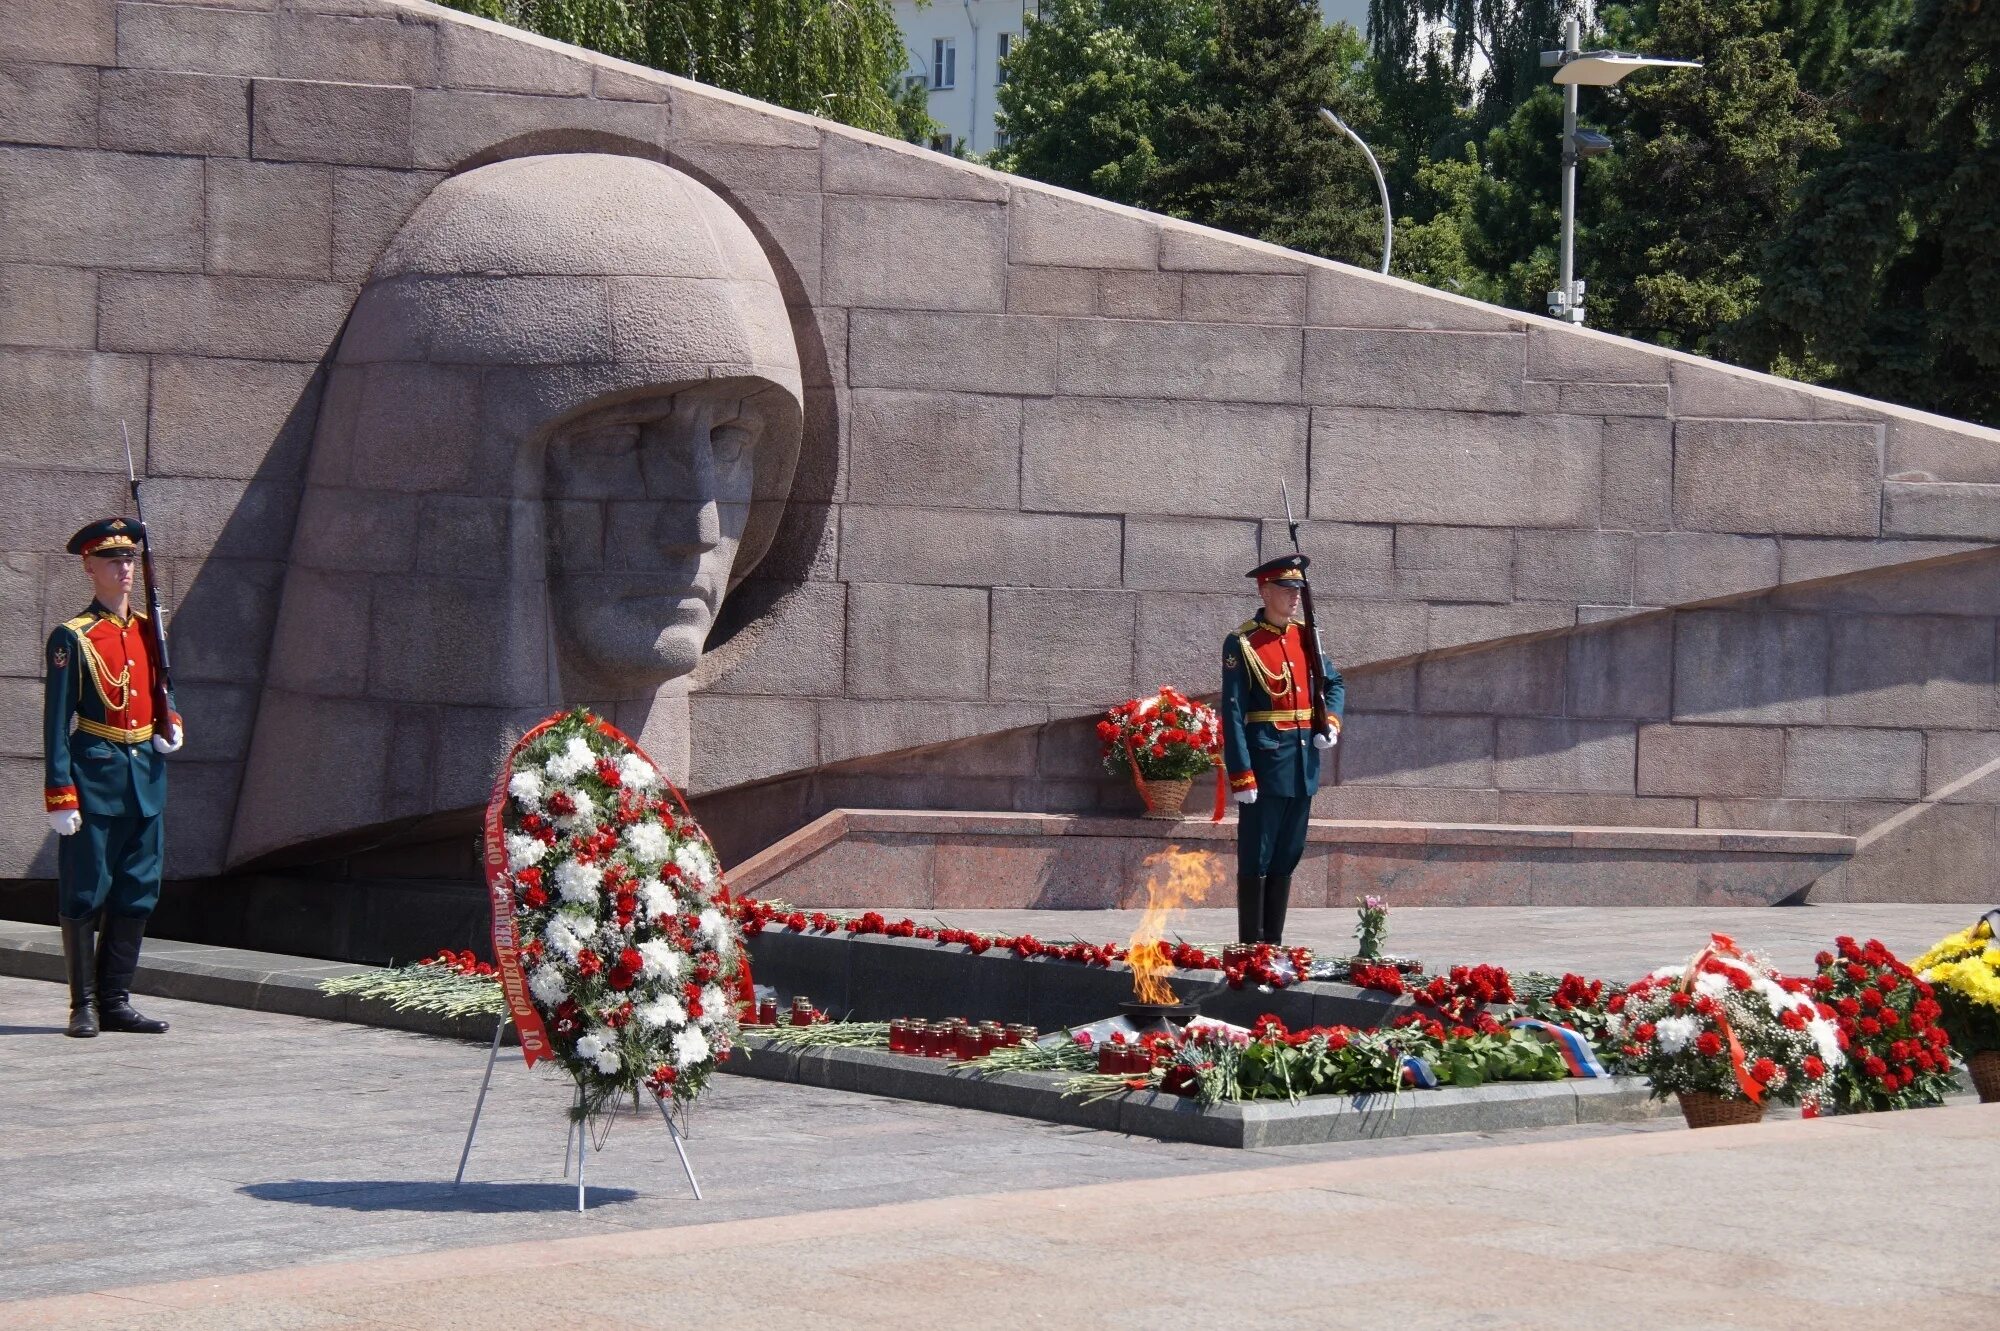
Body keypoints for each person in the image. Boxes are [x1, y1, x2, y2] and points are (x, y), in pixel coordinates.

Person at [44, 518, 182, 1038]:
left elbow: (164, 690)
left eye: (129, 560)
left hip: (145, 777)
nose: (124, 569)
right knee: (85, 891)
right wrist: (60, 792)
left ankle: (116, 1000)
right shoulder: (73, 638)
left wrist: (173, 723)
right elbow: (56, 722)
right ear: (89, 567)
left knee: (138, 891)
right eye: (112, 560)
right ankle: (83, 1006)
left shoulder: (150, 630)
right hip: (95, 776)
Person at [1220, 554, 1345, 946]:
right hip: (1266, 764)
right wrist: (1241, 774)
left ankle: (1271, 944)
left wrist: (1331, 723)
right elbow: (1234, 710)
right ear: (1265, 591)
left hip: (1303, 764)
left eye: (1298, 591)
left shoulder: (1305, 636)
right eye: (1287, 590)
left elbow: (1335, 683)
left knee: (1288, 853)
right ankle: (1249, 947)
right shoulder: (1242, 642)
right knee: (1256, 855)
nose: (1294, 598)